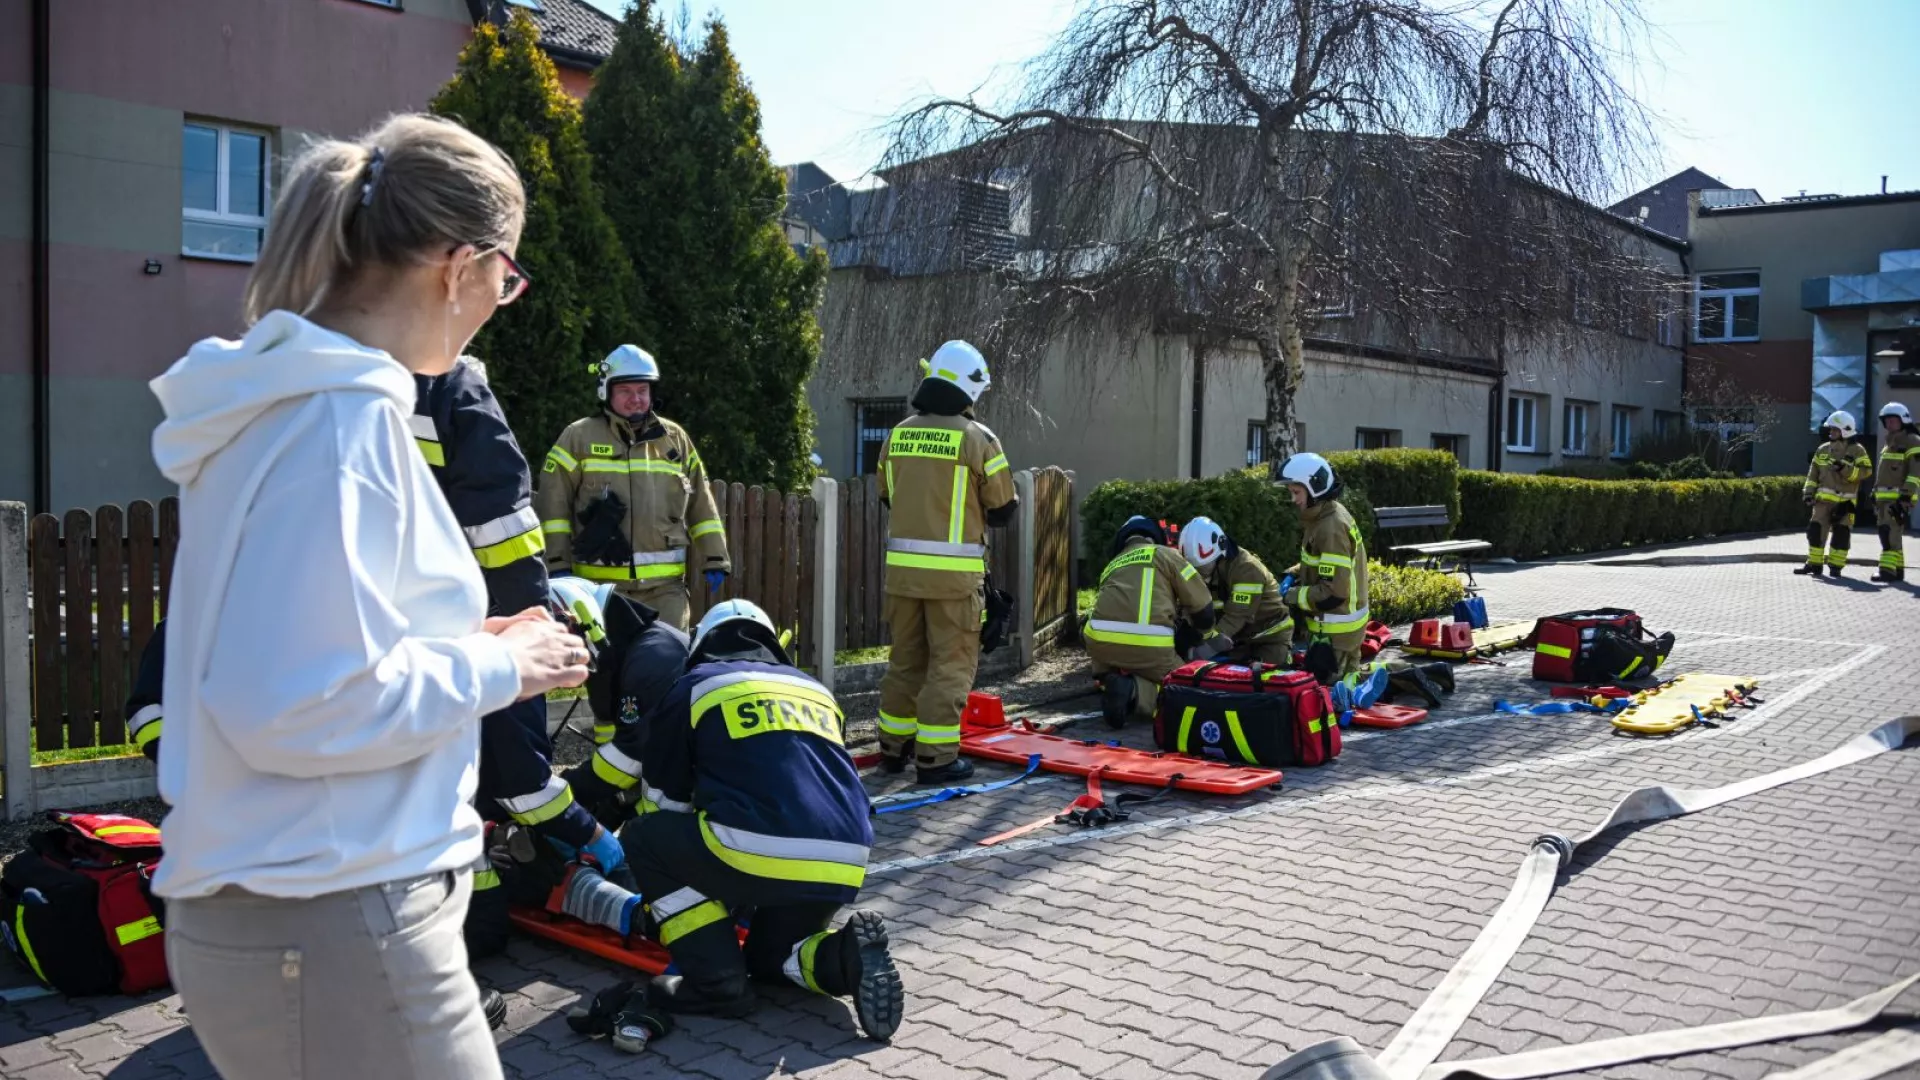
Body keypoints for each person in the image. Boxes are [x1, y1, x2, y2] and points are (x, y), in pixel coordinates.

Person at [145, 114, 589, 1080]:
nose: (500, 302)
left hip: (304, 908)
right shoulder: (337, 425)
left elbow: (308, 650)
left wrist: (461, 638)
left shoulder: (291, 407)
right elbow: (302, 703)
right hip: (337, 913)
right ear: (457, 264)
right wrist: (500, 662)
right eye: (506, 278)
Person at [610, 600, 904, 1042]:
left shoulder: (693, 686)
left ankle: (717, 984)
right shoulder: (815, 690)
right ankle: (845, 959)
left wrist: (691, 891)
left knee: (644, 837)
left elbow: (663, 801)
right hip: (846, 857)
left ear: (702, 646)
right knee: (771, 959)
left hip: (755, 851)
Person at [874, 341, 1019, 782]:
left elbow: (886, 496)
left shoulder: (897, 435)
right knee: (949, 667)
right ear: (969, 387)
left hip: (901, 578)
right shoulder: (979, 439)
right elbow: (1003, 509)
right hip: (953, 583)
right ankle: (935, 758)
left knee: (905, 663)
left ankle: (892, 749)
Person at [534, 344, 730, 632]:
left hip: (666, 592)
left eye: (642, 390)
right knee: (605, 671)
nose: (635, 399)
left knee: (668, 664)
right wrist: (557, 564)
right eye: (626, 391)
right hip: (598, 590)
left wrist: (715, 556)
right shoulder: (578, 437)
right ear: (606, 392)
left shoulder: (675, 440)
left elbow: (701, 500)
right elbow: (553, 505)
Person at [553, 577, 693, 824]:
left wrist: (569, 791)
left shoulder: (652, 659)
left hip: (696, 799)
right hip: (680, 777)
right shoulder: (624, 656)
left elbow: (632, 753)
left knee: (638, 842)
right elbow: (618, 739)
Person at [1084, 515, 1215, 728]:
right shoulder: (1165, 554)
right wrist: (1203, 634)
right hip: (1151, 646)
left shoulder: (1111, 565)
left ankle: (1113, 683)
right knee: (1188, 690)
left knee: (1129, 663)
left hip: (1100, 647)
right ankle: (1134, 693)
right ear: (1155, 537)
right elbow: (1204, 608)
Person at [1277, 453, 1371, 682]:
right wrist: (1294, 573)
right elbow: (1323, 562)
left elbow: (1333, 593)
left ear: (1315, 487)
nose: (1293, 499)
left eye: (1296, 492)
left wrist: (1291, 595)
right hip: (1332, 631)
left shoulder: (1330, 527)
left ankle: (1399, 678)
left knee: (1332, 695)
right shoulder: (1325, 515)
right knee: (1348, 682)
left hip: (1336, 632)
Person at [1177, 516, 1293, 665]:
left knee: (1265, 680)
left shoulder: (1247, 569)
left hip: (1269, 638)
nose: (1200, 575)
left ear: (1220, 554)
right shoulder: (1212, 569)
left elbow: (1237, 616)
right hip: (1238, 641)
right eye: (1195, 570)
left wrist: (1206, 648)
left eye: (1203, 568)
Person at [1795, 410, 1873, 578]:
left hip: (1846, 503)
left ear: (1845, 430)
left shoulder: (1857, 450)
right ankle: (1814, 564)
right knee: (1815, 531)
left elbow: (1866, 472)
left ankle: (1836, 567)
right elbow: (1812, 474)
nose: (1831, 433)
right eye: (1830, 430)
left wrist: (1845, 469)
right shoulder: (1822, 450)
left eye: (1835, 430)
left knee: (1841, 535)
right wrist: (1808, 493)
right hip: (1822, 502)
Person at [1871, 401, 1919, 583]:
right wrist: (1874, 491)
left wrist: (1906, 496)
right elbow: (1883, 472)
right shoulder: (1888, 443)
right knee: (1892, 532)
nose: (1889, 424)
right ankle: (1898, 570)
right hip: (1884, 498)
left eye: (1893, 420)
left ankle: (1887, 571)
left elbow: (1916, 472)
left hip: (1899, 498)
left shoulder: (1912, 441)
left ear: (1903, 420)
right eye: (1887, 421)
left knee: (1888, 533)